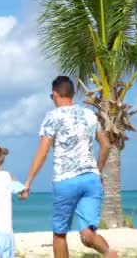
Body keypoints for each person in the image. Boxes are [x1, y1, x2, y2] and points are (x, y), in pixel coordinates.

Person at [22, 76, 116, 258]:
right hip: (91, 179)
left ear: (55, 94)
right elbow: (105, 145)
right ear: (72, 94)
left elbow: (43, 152)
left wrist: (28, 182)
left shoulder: (52, 117)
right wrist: (97, 170)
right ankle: (109, 252)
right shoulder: (89, 114)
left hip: (66, 181)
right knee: (88, 235)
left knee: (59, 234)